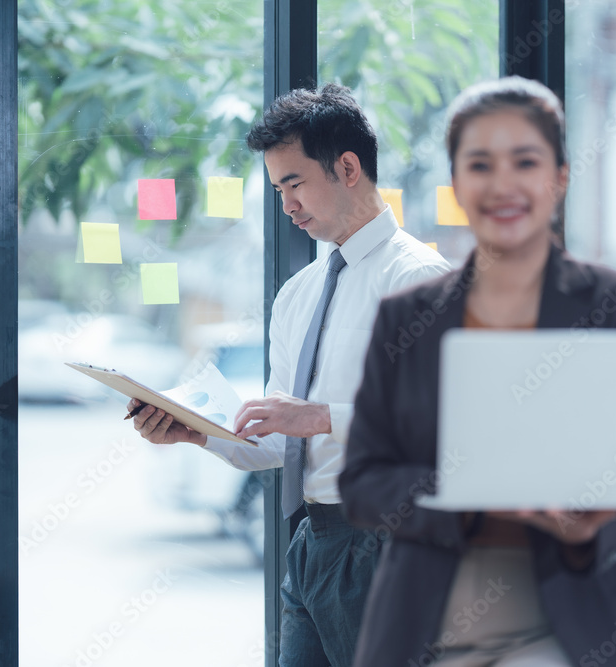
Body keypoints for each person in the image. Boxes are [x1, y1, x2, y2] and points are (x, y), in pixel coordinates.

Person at [339, 76, 616, 667]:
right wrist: (467, 497)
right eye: (480, 164)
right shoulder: (406, 317)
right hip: (425, 614)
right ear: (457, 182)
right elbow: (361, 483)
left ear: (560, 177)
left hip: (569, 611)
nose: (503, 184)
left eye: (525, 161)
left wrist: (592, 524)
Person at [128, 82, 450, 666]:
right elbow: (285, 442)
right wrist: (199, 432)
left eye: (294, 183)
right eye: (278, 190)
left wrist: (320, 415)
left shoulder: (419, 278)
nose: (286, 206)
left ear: (348, 167)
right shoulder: (296, 296)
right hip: (311, 542)